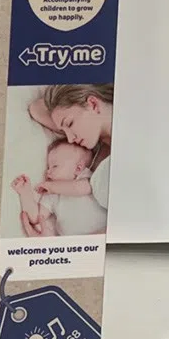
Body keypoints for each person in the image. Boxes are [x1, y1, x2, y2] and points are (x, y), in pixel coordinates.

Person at [22, 84, 114, 238]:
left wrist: (62, 247)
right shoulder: (94, 154)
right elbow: (36, 108)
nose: (70, 139)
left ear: (93, 104)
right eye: (63, 131)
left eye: (70, 124)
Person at [11, 140, 106, 237]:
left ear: (78, 168)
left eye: (55, 166)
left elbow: (81, 188)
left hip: (103, 233)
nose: (48, 172)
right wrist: (25, 193)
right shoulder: (52, 194)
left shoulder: (86, 177)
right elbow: (37, 217)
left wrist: (52, 187)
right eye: (48, 167)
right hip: (72, 242)